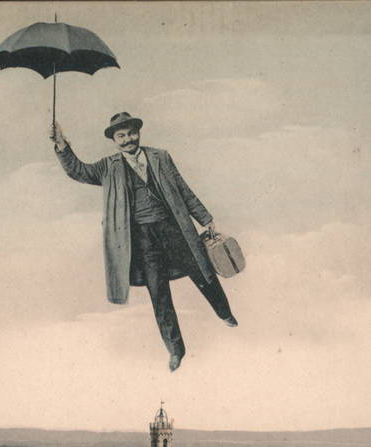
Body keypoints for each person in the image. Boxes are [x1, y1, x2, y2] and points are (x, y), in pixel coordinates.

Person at [50, 111, 237, 371]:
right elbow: (79, 171)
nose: (128, 140)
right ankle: (175, 350)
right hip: (141, 239)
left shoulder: (161, 156)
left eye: (131, 133)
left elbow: (183, 189)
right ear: (114, 140)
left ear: (139, 133)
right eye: (121, 136)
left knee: (203, 273)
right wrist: (61, 146)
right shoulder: (108, 167)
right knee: (159, 294)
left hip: (174, 229)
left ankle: (225, 314)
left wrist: (205, 217)